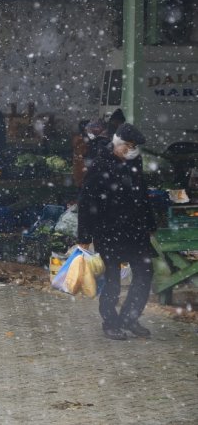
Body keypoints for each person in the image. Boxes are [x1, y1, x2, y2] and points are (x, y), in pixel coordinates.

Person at [77, 123, 156, 341]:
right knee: (112, 279)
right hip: (108, 229)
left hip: (135, 230)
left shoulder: (135, 162)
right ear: (117, 143)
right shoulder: (101, 163)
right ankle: (110, 322)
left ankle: (130, 317)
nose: (131, 150)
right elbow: (86, 201)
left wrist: (150, 225)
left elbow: (142, 193)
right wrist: (84, 237)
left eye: (134, 146)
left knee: (145, 272)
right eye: (128, 146)